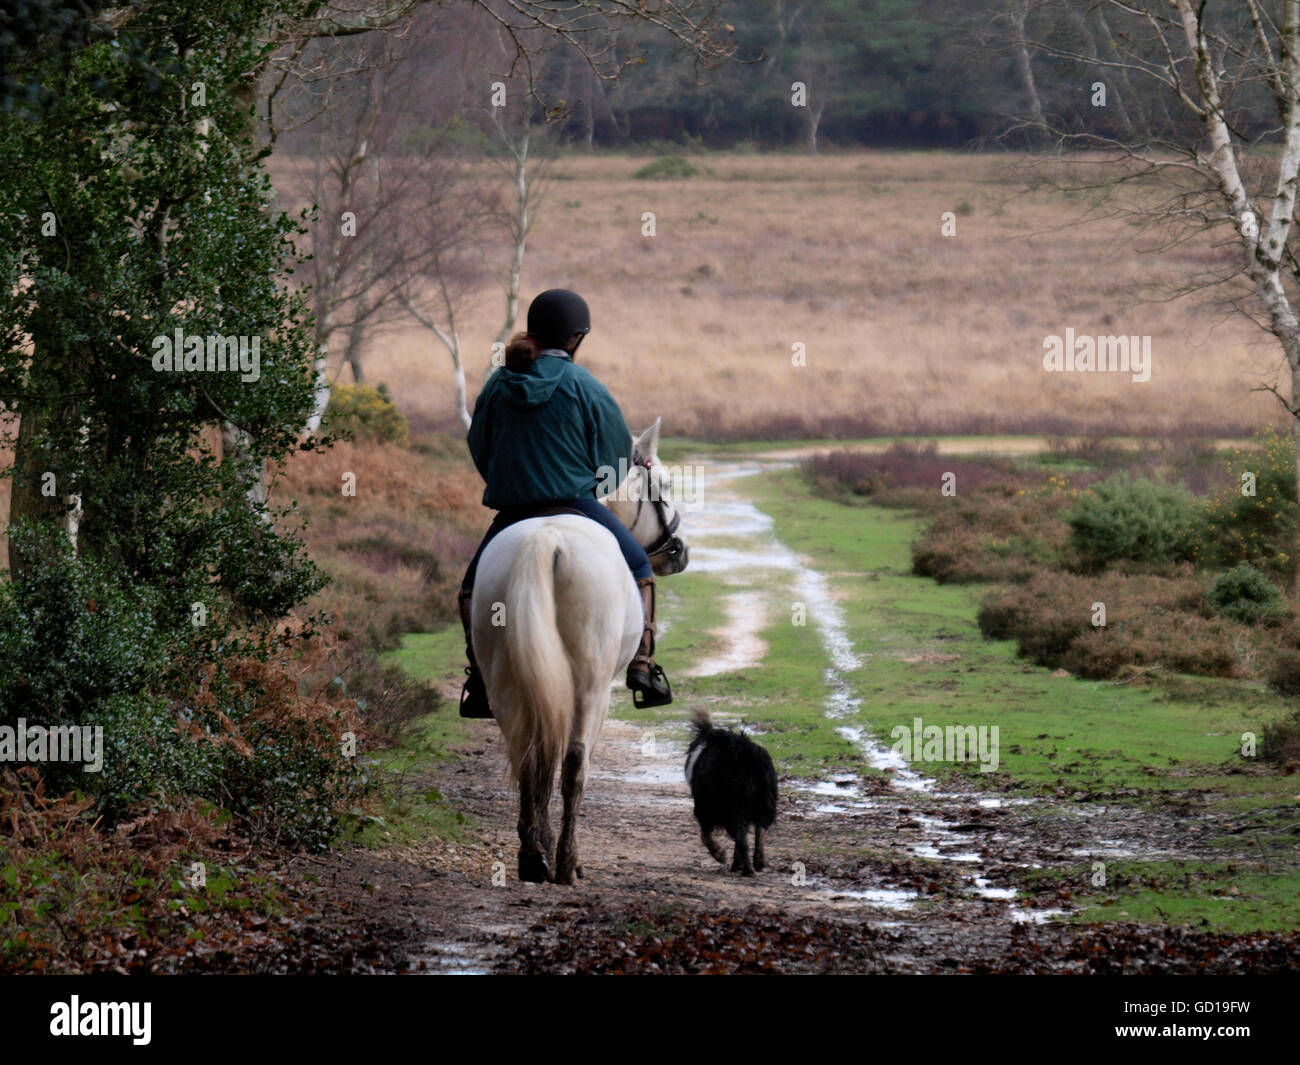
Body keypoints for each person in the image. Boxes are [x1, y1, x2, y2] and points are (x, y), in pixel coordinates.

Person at [457, 289, 672, 718]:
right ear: (576, 338)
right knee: (642, 570)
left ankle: (479, 677)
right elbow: (614, 458)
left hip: (513, 514)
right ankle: (644, 666)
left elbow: (479, 447)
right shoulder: (586, 385)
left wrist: (511, 480)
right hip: (578, 505)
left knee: (468, 590)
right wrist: (587, 478)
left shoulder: (499, 382)